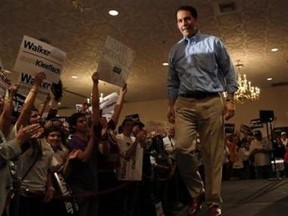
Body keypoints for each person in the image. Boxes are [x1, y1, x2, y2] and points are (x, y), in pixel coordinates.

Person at [166, 5, 238, 216]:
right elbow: (172, 81)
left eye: (187, 19)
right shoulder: (174, 50)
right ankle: (196, 192)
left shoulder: (213, 42)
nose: (184, 24)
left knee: (212, 154)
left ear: (196, 21)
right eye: (180, 21)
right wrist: (171, 105)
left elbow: (228, 70)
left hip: (211, 101)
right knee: (182, 149)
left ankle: (213, 202)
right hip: (184, 104)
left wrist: (230, 99)